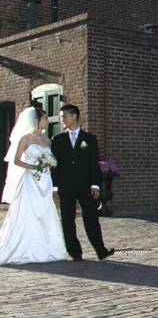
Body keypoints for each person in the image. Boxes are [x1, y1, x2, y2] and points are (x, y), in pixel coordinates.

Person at [0, 106, 69, 265]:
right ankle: (25, 248)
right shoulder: (25, 139)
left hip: (45, 181)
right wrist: (34, 168)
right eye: (45, 118)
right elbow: (16, 160)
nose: (47, 121)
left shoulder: (48, 140)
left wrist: (48, 166)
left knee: (45, 213)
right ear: (36, 121)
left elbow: (52, 160)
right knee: (28, 213)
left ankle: (48, 248)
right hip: (29, 181)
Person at [51, 104, 114, 261]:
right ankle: (75, 252)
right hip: (65, 187)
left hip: (86, 186)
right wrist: (55, 186)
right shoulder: (57, 140)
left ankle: (101, 250)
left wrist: (95, 185)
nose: (62, 120)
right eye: (61, 117)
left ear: (74, 116)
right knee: (67, 220)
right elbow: (55, 166)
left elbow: (94, 164)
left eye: (64, 116)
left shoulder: (90, 139)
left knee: (91, 218)